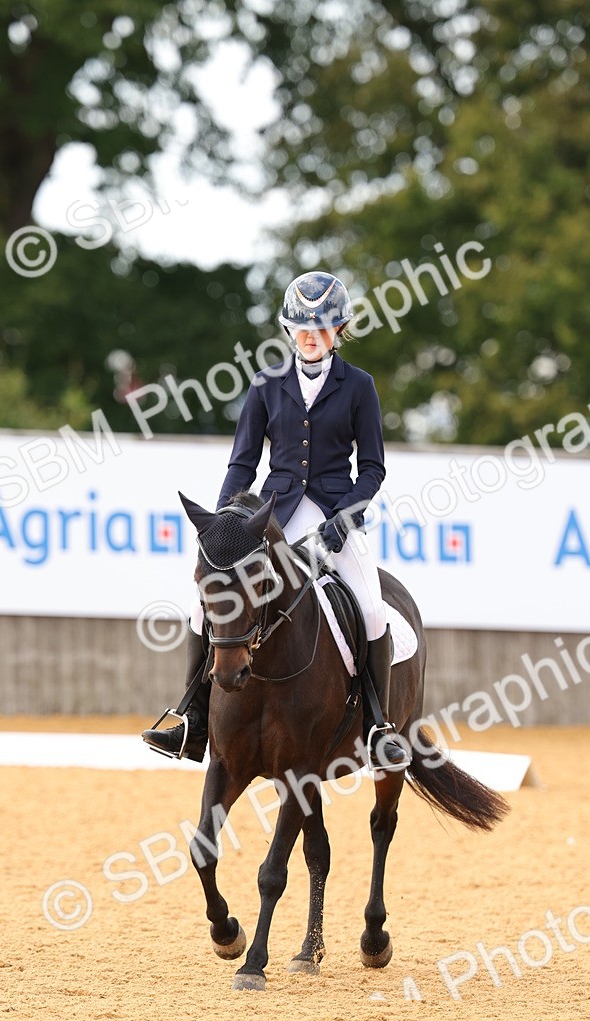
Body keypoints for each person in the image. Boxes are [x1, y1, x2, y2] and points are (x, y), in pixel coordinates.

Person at [143, 270, 410, 770]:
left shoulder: (359, 387)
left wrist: (345, 517)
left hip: (335, 513)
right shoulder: (266, 385)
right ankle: (192, 719)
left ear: (339, 331)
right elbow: (243, 462)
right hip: (273, 513)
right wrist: (224, 522)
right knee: (206, 605)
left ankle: (378, 726)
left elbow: (373, 468)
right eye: (302, 328)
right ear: (290, 331)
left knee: (373, 611)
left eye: (322, 328)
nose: (311, 337)